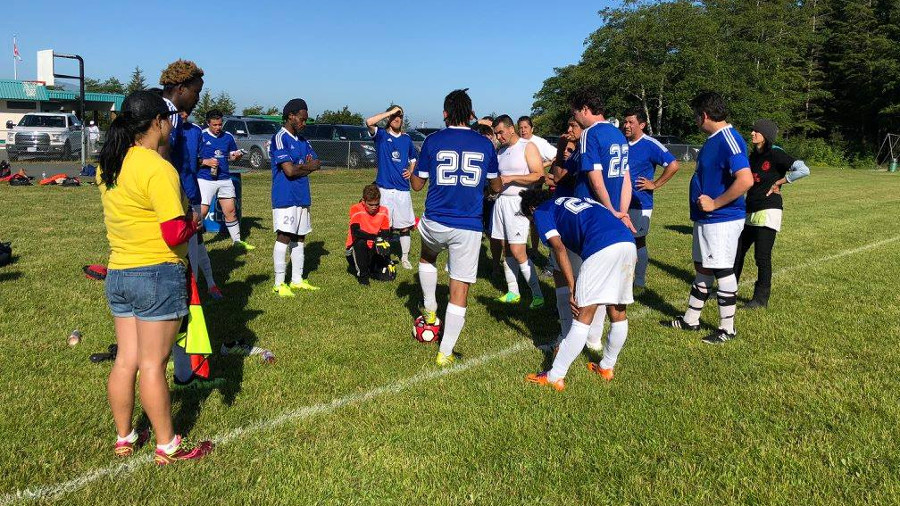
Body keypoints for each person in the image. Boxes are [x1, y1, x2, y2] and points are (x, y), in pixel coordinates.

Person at [98, 90, 212, 464]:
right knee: (152, 364)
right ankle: (168, 445)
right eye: (168, 120)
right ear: (157, 123)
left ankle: (125, 436)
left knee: (125, 360)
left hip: (119, 271)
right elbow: (173, 233)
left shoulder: (109, 164)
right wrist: (195, 223)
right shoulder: (157, 168)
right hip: (157, 272)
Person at [411, 88, 502, 366]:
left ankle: (429, 310)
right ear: (471, 114)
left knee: (428, 255)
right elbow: (496, 185)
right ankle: (445, 352)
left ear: (445, 113)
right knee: (459, 289)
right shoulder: (485, 144)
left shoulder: (433, 140)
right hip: (468, 224)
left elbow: (416, 184)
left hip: (436, 219)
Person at [520, 190, 636, 390]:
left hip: (601, 247)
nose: (534, 224)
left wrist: (571, 286)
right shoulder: (582, 199)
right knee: (618, 310)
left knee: (583, 314)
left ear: (532, 209)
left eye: (531, 220)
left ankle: (555, 375)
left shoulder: (542, 211)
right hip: (627, 243)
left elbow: (559, 248)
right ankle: (607, 367)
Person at [668, 91, 753, 344]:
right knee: (703, 268)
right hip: (707, 219)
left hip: (722, 218)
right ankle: (690, 320)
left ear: (703, 115)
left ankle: (728, 329)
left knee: (722, 269)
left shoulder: (729, 139)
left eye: (695, 116)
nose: (695, 120)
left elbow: (745, 179)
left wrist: (715, 203)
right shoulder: (714, 139)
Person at [157, 60, 216, 389]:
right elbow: (163, 166)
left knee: (184, 288)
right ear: (180, 89)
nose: (197, 99)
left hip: (182, 205)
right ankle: (182, 372)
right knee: (182, 291)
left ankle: (182, 368)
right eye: (196, 92)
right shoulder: (164, 117)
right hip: (173, 212)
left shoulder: (171, 116)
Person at [734, 119, 810, 308]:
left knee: (762, 256)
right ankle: (728, 290)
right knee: (737, 252)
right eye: (752, 130)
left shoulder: (776, 153)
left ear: (765, 135)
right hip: (750, 210)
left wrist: (780, 182)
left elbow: (803, 169)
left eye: (756, 131)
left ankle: (760, 299)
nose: (752, 133)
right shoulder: (753, 156)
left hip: (768, 210)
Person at [622, 108, 681, 287]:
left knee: (638, 240)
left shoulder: (650, 144)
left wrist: (654, 184)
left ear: (642, 124)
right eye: (625, 122)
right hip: (618, 204)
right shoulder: (620, 142)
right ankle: (622, 281)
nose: (626, 126)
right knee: (620, 241)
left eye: (630, 122)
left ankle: (639, 281)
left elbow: (673, 164)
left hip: (640, 203)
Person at [491, 115, 545, 308]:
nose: (498, 136)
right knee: (506, 247)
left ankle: (537, 295)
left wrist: (510, 178)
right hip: (501, 203)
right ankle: (513, 291)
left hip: (518, 203)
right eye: (496, 133)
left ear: (511, 128)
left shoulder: (527, 146)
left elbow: (539, 175)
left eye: (501, 132)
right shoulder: (501, 150)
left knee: (518, 250)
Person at [269, 98, 322, 297]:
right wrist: (307, 167)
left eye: (306, 120)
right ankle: (279, 283)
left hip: (302, 195)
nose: (304, 123)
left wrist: (305, 167)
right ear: (290, 116)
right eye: (302, 119)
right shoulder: (280, 138)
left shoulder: (303, 141)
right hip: (285, 196)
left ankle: (297, 279)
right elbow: (289, 171)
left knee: (300, 237)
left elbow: (317, 162)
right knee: (284, 235)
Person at [569, 89, 636, 234]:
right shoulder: (618, 133)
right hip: (616, 210)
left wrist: (610, 210)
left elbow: (596, 182)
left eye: (575, 113)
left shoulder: (589, 133)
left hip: (592, 211)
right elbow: (627, 179)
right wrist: (622, 212)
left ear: (585, 109)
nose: (575, 118)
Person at [174, 111, 220, 299]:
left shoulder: (195, 131)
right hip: (172, 195)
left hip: (192, 193)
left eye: (188, 109)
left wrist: (206, 162)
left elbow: (197, 159)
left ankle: (207, 284)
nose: (184, 113)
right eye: (180, 108)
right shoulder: (166, 130)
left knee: (197, 237)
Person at [365, 106, 417, 269]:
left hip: (402, 189)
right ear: (388, 117)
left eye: (400, 116)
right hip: (385, 189)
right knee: (383, 226)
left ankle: (404, 258)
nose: (397, 118)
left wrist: (410, 170)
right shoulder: (381, 135)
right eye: (394, 116)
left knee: (404, 227)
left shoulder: (407, 139)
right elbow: (369, 121)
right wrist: (389, 112)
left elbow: (413, 158)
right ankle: (382, 256)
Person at [198, 109, 253, 251]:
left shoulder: (228, 136)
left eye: (220, 124)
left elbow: (231, 156)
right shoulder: (201, 136)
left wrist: (237, 155)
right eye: (214, 125)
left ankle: (237, 241)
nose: (218, 128)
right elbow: (192, 158)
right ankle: (193, 242)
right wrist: (206, 162)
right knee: (202, 212)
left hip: (224, 178)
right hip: (205, 179)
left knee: (231, 211)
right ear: (208, 123)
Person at [346, 184, 393, 285]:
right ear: (363, 201)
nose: (374, 207)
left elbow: (385, 234)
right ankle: (363, 276)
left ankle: (372, 268)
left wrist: (384, 242)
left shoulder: (384, 210)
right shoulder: (356, 209)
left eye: (376, 204)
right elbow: (356, 232)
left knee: (386, 277)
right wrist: (375, 237)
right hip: (356, 247)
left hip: (373, 247)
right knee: (360, 242)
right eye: (370, 204)